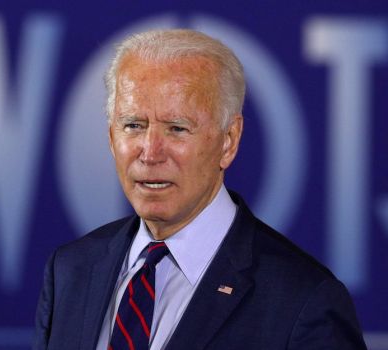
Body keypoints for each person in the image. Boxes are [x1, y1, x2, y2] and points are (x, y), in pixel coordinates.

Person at [34, 29, 367, 350]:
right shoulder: (70, 271)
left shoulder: (303, 301)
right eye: (133, 125)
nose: (150, 153)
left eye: (177, 129)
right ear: (111, 137)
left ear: (229, 141)